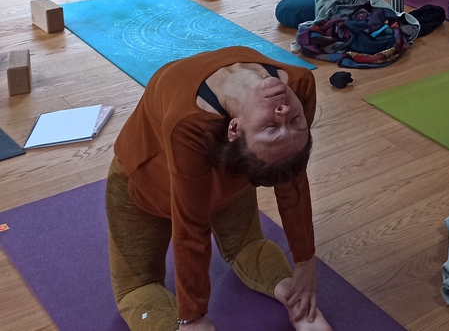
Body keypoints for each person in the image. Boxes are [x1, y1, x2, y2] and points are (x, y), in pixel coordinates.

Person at [106, 46, 328, 331]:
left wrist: (304, 265)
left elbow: (292, 179)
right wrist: (193, 318)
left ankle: (294, 300)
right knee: (143, 287)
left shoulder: (297, 87)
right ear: (233, 129)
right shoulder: (189, 121)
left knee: (137, 288)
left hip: (231, 180)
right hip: (150, 187)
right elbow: (191, 226)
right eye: (288, 123)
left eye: (283, 125)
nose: (285, 112)